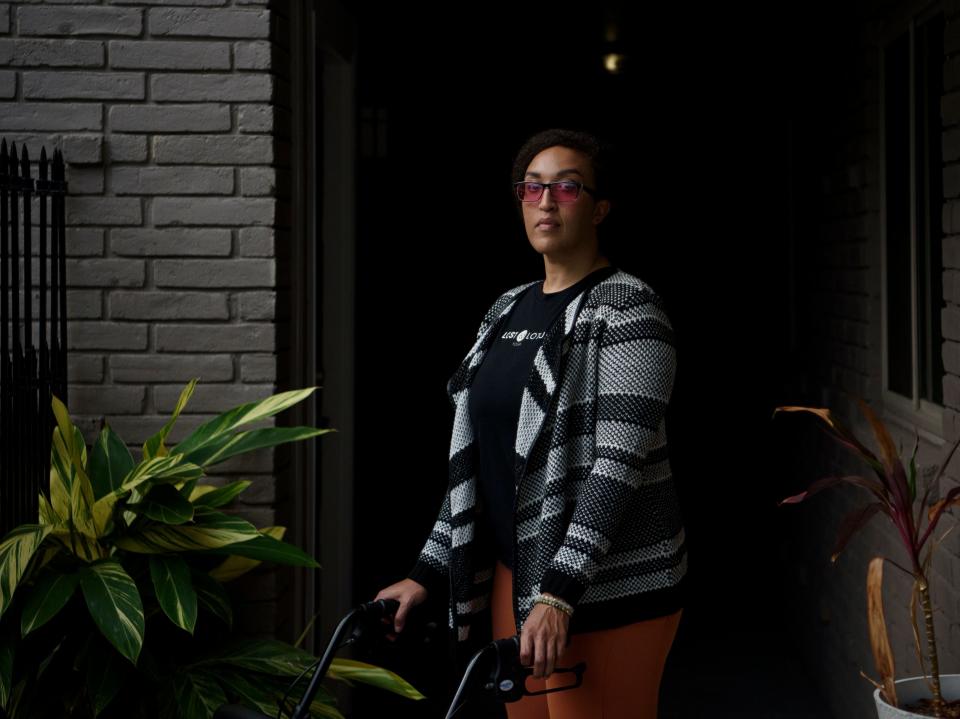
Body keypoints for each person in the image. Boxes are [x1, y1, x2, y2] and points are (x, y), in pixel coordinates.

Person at [373, 128, 687, 719]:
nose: (545, 201)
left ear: (599, 208)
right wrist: (426, 571)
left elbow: (616, 469)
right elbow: (476, 462)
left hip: (607, 590)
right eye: (532, 187)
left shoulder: (630, 309)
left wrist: (560, 594)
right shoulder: (505, 309)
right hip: (518, 579)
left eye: (566, 188)